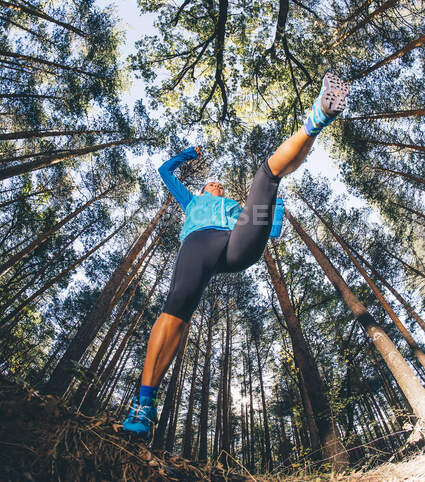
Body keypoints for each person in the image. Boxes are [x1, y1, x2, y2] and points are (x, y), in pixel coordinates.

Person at [122, 72, 349, 441]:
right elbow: (164, 172)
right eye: (211, 183)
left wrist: (273, 206)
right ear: (201, 188)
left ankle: (320, 114)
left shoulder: (233, 206)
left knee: (267, 175)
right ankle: (144, 403)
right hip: (197, 245)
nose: (216, 184)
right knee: (176, 310)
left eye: (219, 184)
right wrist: (187, 154)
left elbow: (268, 230)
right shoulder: (192, 201)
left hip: (235, 246)